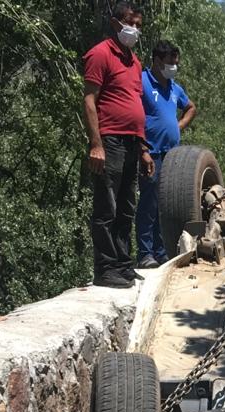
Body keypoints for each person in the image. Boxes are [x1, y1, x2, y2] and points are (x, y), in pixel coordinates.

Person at [83, 2, 154, 289]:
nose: (134, 29)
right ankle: (106, 268)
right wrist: (96, 144)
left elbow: (135, 105)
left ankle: (123, 264)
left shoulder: (134, 62)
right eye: (130, 22)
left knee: (127, 207)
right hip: (109, 141)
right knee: (106, 207)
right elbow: (89, 100)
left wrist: (144, 149)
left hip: (131, 144)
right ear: (115, 24)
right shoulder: (100, 54)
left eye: (138, 24)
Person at [136, 41, 196, 268]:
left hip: (173, 156)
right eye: (171, 62)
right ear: (158, 60)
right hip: (150, 153)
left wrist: (178, 126)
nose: (174, 67)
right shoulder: (142, 81)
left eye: (176, 62)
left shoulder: (174, 88)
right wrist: (142, 149)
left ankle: (161, 251)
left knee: (164, 205)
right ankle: (144, 253)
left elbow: (191, 107)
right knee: (148, 203)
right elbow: (133, 112)